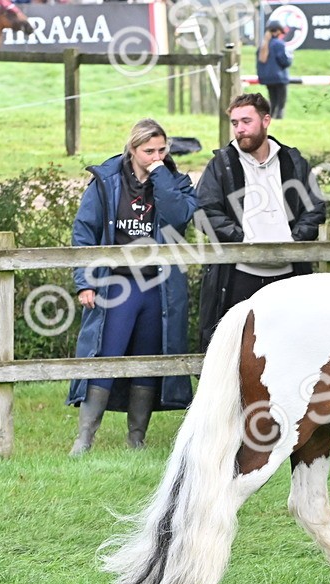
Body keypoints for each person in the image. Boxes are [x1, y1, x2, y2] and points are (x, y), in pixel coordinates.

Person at [66, 118, 197, 456]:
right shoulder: (106, 181)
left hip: (157, 288)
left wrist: (161, 176)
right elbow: (84, 232)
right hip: (115, 285)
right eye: (148, 151)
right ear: (132, 149)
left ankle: (136, 439)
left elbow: (179, 217)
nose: (156, 156)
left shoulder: (175, 182)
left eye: (162, 150)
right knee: (104, 356)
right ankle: (84, 439)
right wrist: (84, 282)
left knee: (148, 360)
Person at [195, 92, 326, 349]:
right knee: (235, 352)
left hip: (289, 275)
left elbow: (316, 207)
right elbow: (204, 211)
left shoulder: (293, 161)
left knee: (291, 349)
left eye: (246, 121)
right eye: (235, 123)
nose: (240, 129)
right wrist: (242, 240)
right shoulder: (221, 164)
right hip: (238, 275)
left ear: (266, 120)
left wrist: (294, 240)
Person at [257, 20, 293, 120]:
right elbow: (285, 61)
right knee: (281, 103)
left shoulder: (263, 45)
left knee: (272, 100)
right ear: (277, 31)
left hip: (267, 78)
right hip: (279, 78)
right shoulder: (279, 44)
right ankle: (279, 117)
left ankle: (271, 117)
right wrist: (290, 58)